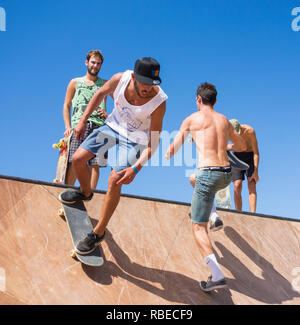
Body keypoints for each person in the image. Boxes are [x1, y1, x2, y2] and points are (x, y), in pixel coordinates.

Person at [59, 57, 168, 254]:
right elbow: (100, 94)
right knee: (77, 159)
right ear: (134, 76)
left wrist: (136, 168)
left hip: (137, 139)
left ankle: (98, 232)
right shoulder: (120, 79)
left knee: (115, 179)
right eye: (144, 83)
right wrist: (83, 120)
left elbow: (153, 142)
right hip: (113, 126)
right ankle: (85, 192)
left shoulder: (159, 102)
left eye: (152, 84)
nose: (148, 89)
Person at [165, 82, 246, 291]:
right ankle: (214, 214)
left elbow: (173, 150)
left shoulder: (192, 119)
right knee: (195, 181)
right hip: (225, 175)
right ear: (215, 101)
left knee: (197, 227)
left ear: (198, 100)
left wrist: (167, 152)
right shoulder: (224, 120)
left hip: (208, 174)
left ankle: (217, 276)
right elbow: (241, 146)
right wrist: (223, 145)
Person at [62, 50, 108, 188]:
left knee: (95, 163)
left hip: (100, 126)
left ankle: (90, 196)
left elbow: (120, 102)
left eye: (98, 64)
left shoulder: (105, 84)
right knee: (74, 160)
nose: (95, 66)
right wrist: (68, 127)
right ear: (86, 62)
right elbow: (66, 105)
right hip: (80, 125)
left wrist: (109, 115)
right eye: (93, 62)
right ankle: (67, 192)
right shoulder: (75, 82)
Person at [229, 119, 259, 213]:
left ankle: (253, 214)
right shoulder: (225, 132)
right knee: (237, 185)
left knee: (251, 184)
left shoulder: (250, 131)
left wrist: (256, 171)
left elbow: (256, 152)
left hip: (250, 156)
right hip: (236, 157)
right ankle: (239, 213)